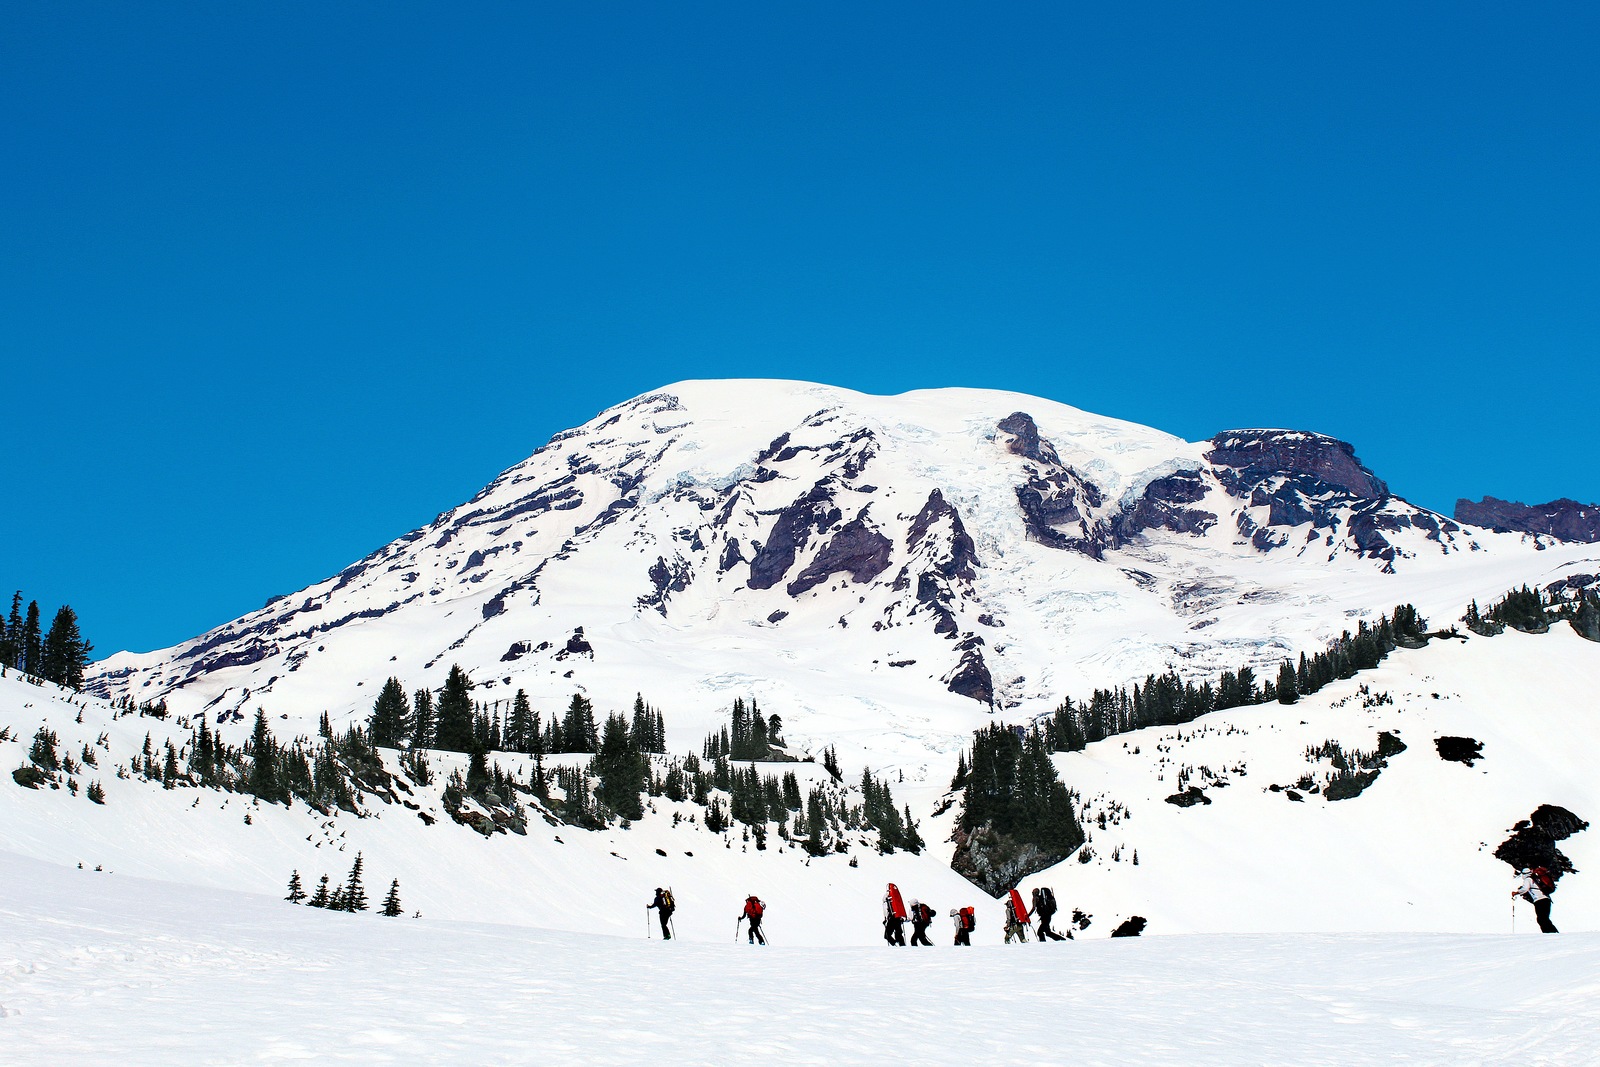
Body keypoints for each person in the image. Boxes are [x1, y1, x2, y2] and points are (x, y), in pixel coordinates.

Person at [1513, 867, 1559, 933]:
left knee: (1541, 919)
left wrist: (1516, 892)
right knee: (1544, 918)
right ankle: (1553, 933)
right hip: (1546, 899)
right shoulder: (1536, 878)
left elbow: (1525, 889)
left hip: (1539, 901)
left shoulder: (1528, 879)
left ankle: (1550, 934)